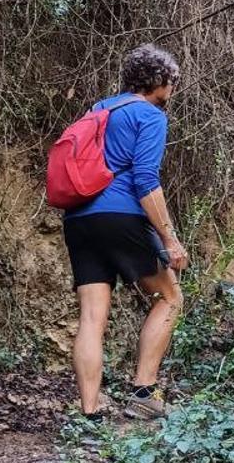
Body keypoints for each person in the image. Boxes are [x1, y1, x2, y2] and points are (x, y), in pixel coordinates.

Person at [62, 44, 187, 422]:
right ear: (159, 80)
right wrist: (170, 239)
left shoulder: (99, 109)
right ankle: (144, 393)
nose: (172, 89)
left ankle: (89, 413)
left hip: (78, 217)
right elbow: (145, 181)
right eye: (171, 82)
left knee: (91, 317)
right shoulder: (149, 115)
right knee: (169, 297)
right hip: (120, 216)